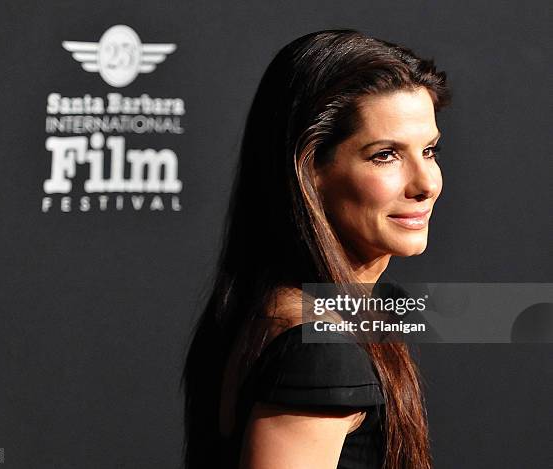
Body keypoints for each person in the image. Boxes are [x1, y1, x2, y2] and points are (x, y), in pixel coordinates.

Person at [181, 29, 451, 469]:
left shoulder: (276, 307)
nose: (426, 184)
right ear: (310, 171)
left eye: (429, 150)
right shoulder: (319, 350)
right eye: (385, 155)